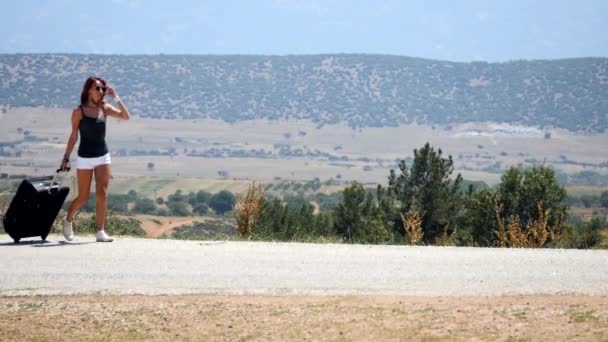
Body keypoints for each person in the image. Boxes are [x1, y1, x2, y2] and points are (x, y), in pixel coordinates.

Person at [60, 76, 130, 242]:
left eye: (102, 89)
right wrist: (65, 158)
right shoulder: (79, 111)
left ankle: (100, 231)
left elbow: (125, 116)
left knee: (101, 194)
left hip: (102, 156)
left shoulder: (104, 108)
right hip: (85, 158)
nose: (100, 92)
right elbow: (73, 136)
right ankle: (68, 220)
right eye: (97, 88)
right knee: (83, 197)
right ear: (88, 90)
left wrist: (116, 97)